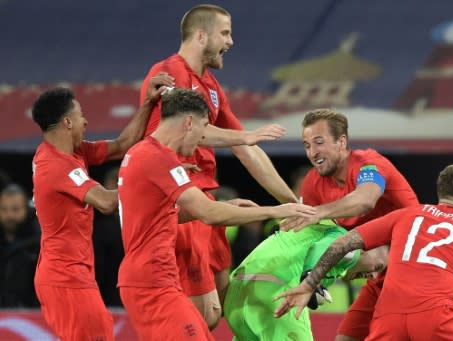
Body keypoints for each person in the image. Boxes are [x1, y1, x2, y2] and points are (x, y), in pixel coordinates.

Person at [140, 4, 298, 329]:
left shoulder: (211, 87)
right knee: (197, 317)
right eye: (225, 33)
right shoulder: (170, 73)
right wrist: (248, 135)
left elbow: (246, 150)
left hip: (206, 205)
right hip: (181, 205)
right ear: (201, 35)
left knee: (214, 313)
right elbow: (189, 128)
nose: (231, 41)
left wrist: (294, 204)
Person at [117, 87, 316, 341]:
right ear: (188, 122)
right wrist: (276, 210)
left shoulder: (144, 154)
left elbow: (165, 215)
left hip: (154, 280)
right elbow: (209, 212)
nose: (203, 138)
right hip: (151, 284)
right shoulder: (155, 157)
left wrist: (231, 205)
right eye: (203, 128)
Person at [275, 164, 453, 341]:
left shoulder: (406, 214)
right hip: (438, 317)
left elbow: (342, 244)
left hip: (388, 318)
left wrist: (310, 283)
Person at [31, 72, 174, 341]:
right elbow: (107, 203)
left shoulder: (72, 152)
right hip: (65, 277)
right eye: (81, 115)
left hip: (71, 272)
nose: (86, 121)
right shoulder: (55, 166)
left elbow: (122, 145)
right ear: (67, 122)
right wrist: (153, 182)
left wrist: (147, 104)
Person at [280, 108, 419, 341]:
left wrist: (317, 212)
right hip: (380, 276)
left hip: (413, 273)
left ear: (341, 141)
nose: (313, 153)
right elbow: (313, 238)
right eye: (306, 146)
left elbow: (365, 200)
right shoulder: (313, 183)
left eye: (319, 142)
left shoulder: (369, 164)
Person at [224, 219, 388, 341]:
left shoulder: (321, 234)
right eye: (378, 267)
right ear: (368, 244)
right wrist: (310, 280)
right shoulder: (349, 246)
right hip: (275, 294)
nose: (373, 277)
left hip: (236, 297)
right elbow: (326, 249)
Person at [0, 183, 40, 307]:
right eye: (4, 209)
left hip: (30, 316)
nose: (9, 215)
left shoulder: (38, 243)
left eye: (15, 209)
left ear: (27, 209)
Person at [93, 166, 124, 306]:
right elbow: (98, 266)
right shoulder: (99, 228)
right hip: (108, 296)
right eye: (115, 181)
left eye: (120, 181)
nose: (117, 186)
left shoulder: (144, 220)